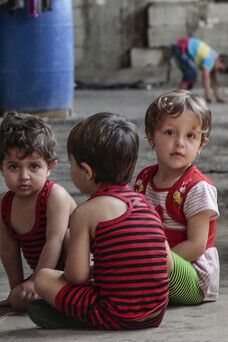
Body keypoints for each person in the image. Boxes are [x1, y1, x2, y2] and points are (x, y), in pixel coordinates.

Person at [28, 112, 170, 330]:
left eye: (71, 163)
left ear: (86, 171)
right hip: (156, 314)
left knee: (44, 278)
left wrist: (89, 272)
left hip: (115, 315)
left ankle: (74, 317)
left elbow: (76, 276)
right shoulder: (146, 204)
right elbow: (167, 264)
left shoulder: (84, 213)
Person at [133, 90, 220, 306]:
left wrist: (154, 261)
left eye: (190, 136)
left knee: (131, 279)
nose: (180, 143)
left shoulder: (197, 187)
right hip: (156, 266)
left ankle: (125, 298)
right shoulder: (144, 179)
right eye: (170, 132)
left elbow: (196, 245)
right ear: (151, 136)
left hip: (191, 276)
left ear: (201, 144)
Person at [0, 113, 76, 312]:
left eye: (34, 166)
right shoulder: (4, 206)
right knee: (22, 301)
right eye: (13, 167)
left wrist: (35, 281)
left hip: (84, 269)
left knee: (70, 236)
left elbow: (54, 242)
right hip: (51, 274)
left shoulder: (55, 196)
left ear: (50, 167)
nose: (24, 176)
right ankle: (58, 299)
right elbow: (9, 251)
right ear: (0, 166)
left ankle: (78, 296)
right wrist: (17, 289)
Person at [170, 37, 228, 103]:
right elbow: (205, 77)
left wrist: (218, 97)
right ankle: (177, 98)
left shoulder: (213, 58)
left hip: (179, 47)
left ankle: (179, 96)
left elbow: (214, 82)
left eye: (220, 71)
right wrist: (208, 96)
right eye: (219, 69)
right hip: (180, 47)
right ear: (220, 59)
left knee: (190, 76)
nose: (217, 71)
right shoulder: (210, 59)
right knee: (191, 72)